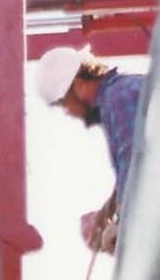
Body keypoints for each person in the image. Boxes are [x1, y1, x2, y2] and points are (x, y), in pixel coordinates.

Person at [34, 46, 146, 253]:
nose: (68, 112)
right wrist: (109, 209)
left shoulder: (116, 98)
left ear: (79, 86)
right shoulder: (123, 91)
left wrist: (121, 223)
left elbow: (133, 158)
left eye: (63, 103)